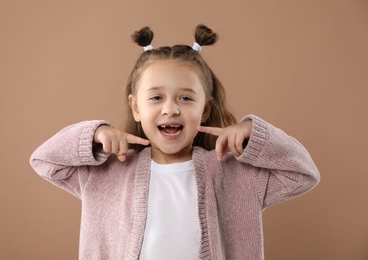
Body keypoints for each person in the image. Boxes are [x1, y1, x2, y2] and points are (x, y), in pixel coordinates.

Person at [30, 24, 320, 260]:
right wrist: (93, 135)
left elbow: (302, 174)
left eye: (185, 98)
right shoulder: (109, 172)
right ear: (136, 108)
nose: (170, 108)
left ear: (204, 109)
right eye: (156, 97)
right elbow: (44, 160)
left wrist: (254, 134)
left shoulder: (234, 174)